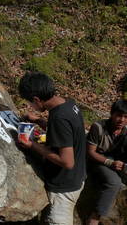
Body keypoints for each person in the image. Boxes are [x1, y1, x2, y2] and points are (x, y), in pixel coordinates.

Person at [17, 71, 86, 225]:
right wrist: (41, 122)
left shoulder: (59, 117)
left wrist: (31, 144)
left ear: (36, 99)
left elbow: (67, 162)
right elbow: (69, 133)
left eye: (30, 103)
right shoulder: (69, 104)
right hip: (78, 177)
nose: (30, 107)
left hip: (64, 187)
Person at [86, 99, 127, 225]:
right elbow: (91, 153)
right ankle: (94, 218)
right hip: (97, 160)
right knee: (114, 182)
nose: (122, 120)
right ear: (112, 114)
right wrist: (110, 163)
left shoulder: (125, 130)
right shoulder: (98, 127)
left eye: (126, 117)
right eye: (119, 115)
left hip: (115, 159)